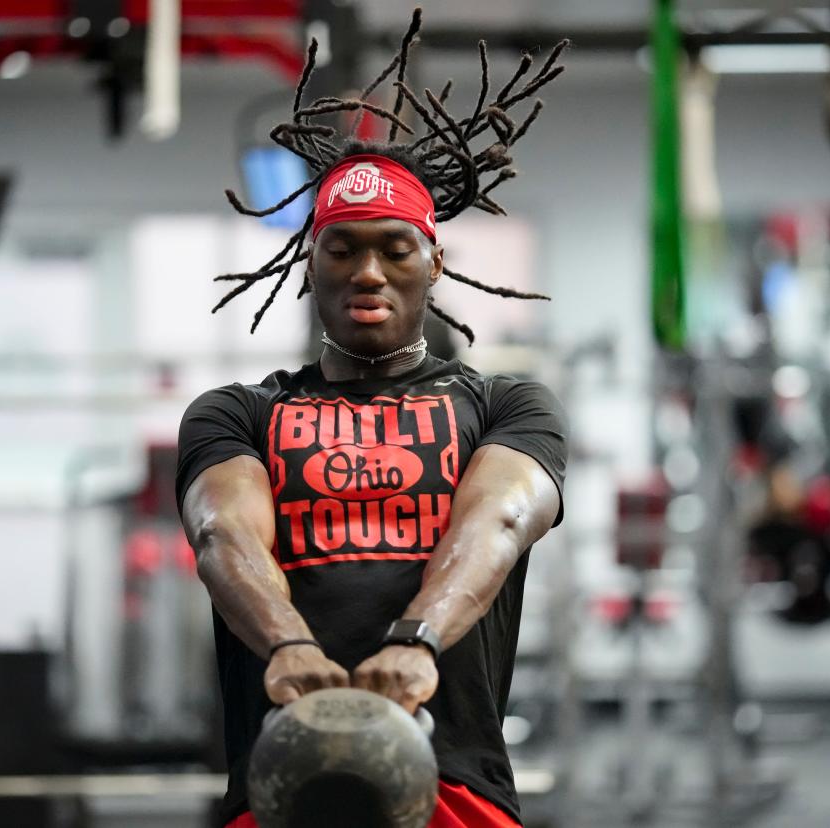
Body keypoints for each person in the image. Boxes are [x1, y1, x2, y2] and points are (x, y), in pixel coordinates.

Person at [176, 15, 570, 827]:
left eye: (395, 247)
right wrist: (288, 645)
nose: (367, 271)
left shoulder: (505, 406)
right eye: (341, 247)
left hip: (451, 786)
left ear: (436, 261)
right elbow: (225, 535)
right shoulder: (238, 414)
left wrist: (417, 639)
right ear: (307, 263)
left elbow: (498, 519)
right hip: (282, 788)